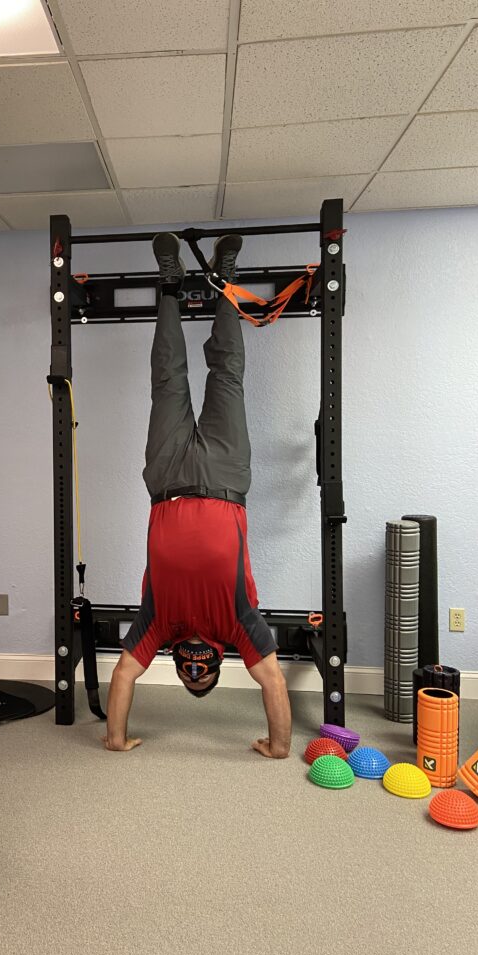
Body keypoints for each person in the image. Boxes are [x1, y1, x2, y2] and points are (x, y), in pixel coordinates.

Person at [103, 232, 292, 758]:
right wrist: (277, 747)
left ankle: (171, 283)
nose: (193, 664)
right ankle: (224, 276)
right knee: (226, 374)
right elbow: (273, 682)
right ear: (216, 659)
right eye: (199, 672)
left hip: (166, 481)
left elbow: (123, 674)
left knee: (168, 379)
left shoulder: (158, 621)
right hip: (226, 478)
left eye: (189, 674)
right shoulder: (236, 622)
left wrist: (117, 739)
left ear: (177, 660)